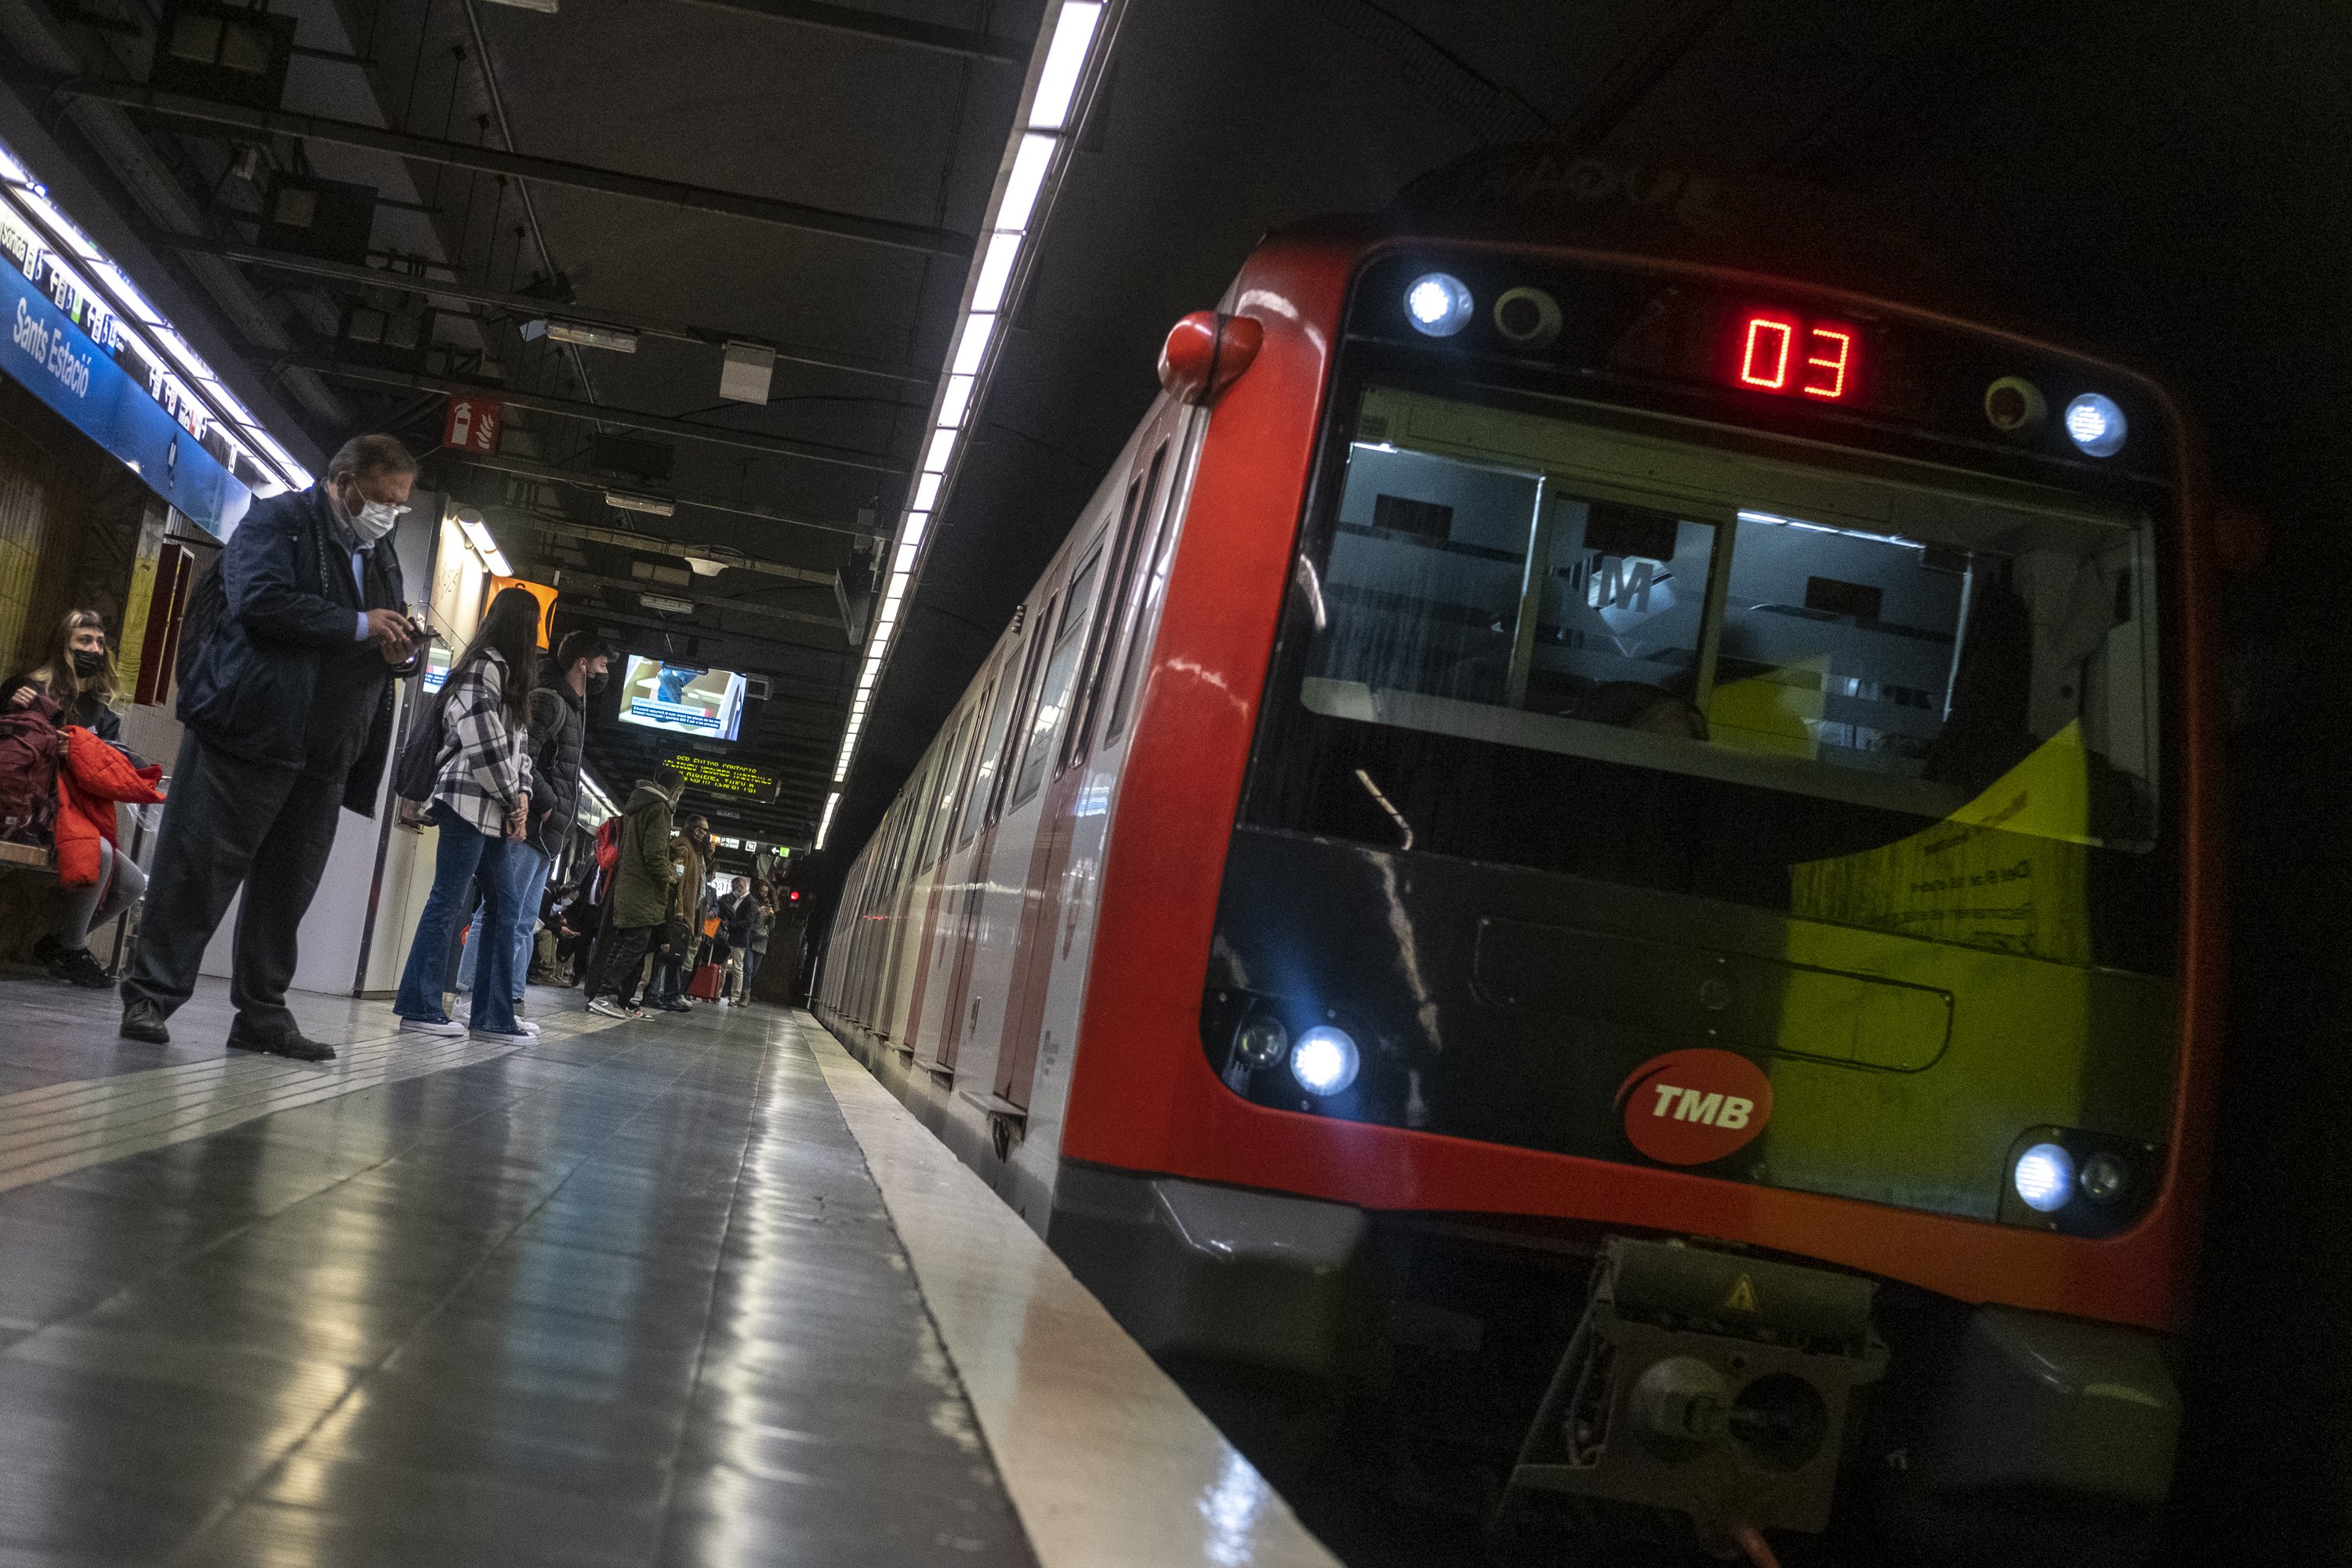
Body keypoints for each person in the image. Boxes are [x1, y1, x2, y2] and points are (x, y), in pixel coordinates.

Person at [120, 435, 423, 1058]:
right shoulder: (278, 522)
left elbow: (379, 634)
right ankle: (152, 996)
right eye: (384, 499)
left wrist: (397, 654)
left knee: (287, 891)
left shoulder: (381, 553)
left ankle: (262, 1013)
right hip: (250, 731)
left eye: (401, 505)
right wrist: (359, 624)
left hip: (325, 751)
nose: (391, 512)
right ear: (343, 482)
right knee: (197, 871)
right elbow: (258, 601)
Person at [390, 586, 540, 1040]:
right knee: (448, 899)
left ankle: (492, 1016)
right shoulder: (483, 668)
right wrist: (515, 800)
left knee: (506, 906)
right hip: (466, 802)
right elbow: (483, 742)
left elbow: (520, 749)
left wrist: (524, 793)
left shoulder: (508, 676)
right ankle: (419, 1005)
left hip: (494, 807)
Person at [448, 630, 611, 1018]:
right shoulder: (550, 702)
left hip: (548, 836)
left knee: (524, 921)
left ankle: (510, 999)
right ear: (582, 664)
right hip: (532, 827)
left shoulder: (572, 708)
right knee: (499, 909)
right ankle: (470, 993)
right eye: (603, 665)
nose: (605, 674)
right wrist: (549, 805)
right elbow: (524, 759)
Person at [4, 612, 151, 986]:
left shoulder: (99, 707)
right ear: (63, 644)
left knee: (132, 884)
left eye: (100, 643)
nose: (94, 650)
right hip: (32, 805)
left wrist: (85, 749)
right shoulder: (27, 688)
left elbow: (121, 759)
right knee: (98, 854)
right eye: (84, 640)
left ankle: (56, 943)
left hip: (78, 807)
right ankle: (71, 950)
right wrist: (10, 704)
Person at [586, 767, 683, 1019]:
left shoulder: (638, 805)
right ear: (678, 791)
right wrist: (672, 875)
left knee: (623, 945)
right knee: (633, 946)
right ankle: (605, 996)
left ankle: (611, 997)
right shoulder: (660, 810)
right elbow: (654, 856)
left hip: (629, 886)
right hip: (642, 890)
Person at [717, 876, 755, 1004]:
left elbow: (748, 922)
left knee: (737, 968)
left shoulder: (750, 901)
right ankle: (717, 992)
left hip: (740, 939)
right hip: (729, 936)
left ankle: (735, 996)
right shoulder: (736, 900)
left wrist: (731, 925)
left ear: (742, 887)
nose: (733, 891)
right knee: (722, 965)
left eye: (735, 888)